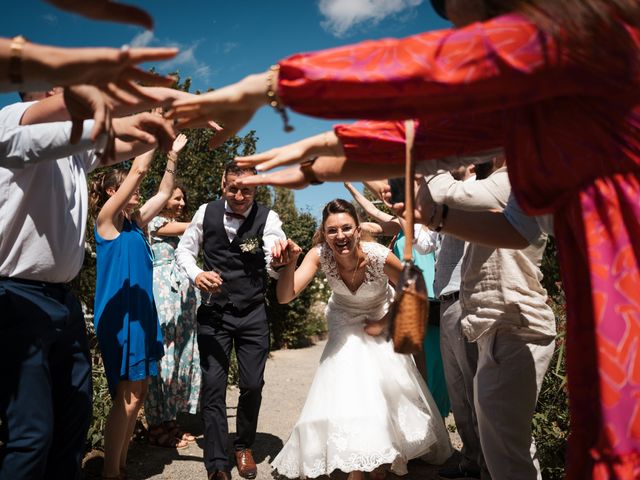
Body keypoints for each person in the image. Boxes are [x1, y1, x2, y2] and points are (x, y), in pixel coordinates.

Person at [167, 1, 640, 475]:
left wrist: (267, 88)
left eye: (458, 14)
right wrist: (323, 160)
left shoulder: (587, 45)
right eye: (331, 231)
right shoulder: (543, 112)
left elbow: (423, 72)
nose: (457, 28)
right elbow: (433, 147)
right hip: (588, 315)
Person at [0, 96, 174, 479]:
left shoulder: (76, 155)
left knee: (74, 420)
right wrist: (130, 97)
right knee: (32, 432)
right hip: (17, 294)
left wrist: (171, 117)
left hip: (63, 300)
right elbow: (80, 112)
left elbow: (136, 145)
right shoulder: (13, 122)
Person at [270, 198, 452, 480]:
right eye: (332, 230)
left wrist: (385, 322)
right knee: (348, 380)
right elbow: (285, 296)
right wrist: (289, 264)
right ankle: (359, 463)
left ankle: (378, 458)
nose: (340, 236)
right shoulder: (319, 255)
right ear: (324, 232)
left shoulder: (377, 254)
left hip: (380, 316)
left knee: (379, 383)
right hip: (344, 320)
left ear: (357, 230)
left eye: (346, 228)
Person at [175, 164, 289, 480]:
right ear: (223, 184)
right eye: (233, 188)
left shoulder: (269, 219)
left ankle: (242, 445)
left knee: (252, 384)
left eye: (247, 189)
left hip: (252, 313)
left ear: (257, 189)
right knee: (213, 387)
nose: (239, 196)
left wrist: (278, 258)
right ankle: (217, 463)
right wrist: (197, 274)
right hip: (213, 314)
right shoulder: (204, 213)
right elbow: (184, 252)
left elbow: (273, 249)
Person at [90, 134, 186, 479]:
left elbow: (162, 193)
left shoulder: (135, 224)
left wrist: (172, 156)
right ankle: (110, 473)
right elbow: (141, 168)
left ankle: (121, 464)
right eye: (129, 187)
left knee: (140, 392)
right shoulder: (108, 221)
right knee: (128, 394)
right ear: (113, 193)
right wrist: (155, 133)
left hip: (142, 317)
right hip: (122, 318)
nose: (137, 190)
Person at [344, 181, 451, 418]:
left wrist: (393, 201)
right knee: (419, 358)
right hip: (410, 294)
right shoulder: (398, 226)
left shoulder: (424, 227)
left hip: (432, 295)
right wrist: (351, 192)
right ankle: (428, 414)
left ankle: (439, 410)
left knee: (436, 360)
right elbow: (373, 214)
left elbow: (385, 210)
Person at [145, 175, 202, 449]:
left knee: (180, 355)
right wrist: (212, 218)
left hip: (183, 296)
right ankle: (156, 424)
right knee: (164, 354)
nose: (181, 203)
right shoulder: (154, 221)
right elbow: (189, 227)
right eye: (176, 197)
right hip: (162, 293)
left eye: (183, 199)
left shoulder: (179, 227)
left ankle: (170, 420)